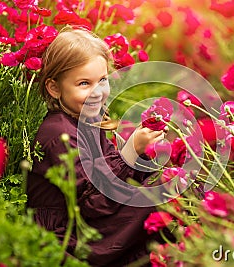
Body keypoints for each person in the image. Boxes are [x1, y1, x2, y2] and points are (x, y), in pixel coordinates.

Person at [26, 26, 166, 267]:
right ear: (55, 88)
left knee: (170, 184)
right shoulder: (57, 132)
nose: (97, 93)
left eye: (102, 80)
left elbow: (116, 178)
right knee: (161, 199)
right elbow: (93, 202)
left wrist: (144, 155)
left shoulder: (89, 120)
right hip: (67, 236)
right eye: (83, 83)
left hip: (89, 221)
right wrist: (130, 151)